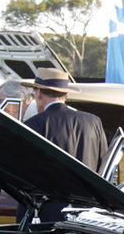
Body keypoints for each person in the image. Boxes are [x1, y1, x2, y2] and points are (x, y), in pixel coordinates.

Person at [23, 68, 108, 220]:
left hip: (47, 216)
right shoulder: (94, 122)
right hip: (87, 214)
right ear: (65, 94)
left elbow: (26, 176)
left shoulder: (34, 124)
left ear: (40, 93)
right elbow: (103, 168)